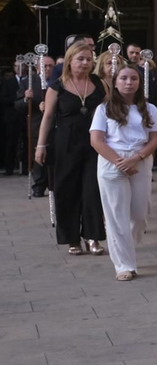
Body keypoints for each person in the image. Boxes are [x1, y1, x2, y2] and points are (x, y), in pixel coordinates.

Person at [89, 65, 157, 280]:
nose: (129, 82)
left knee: (139, 216)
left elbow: (156, 138)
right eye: (123, 78)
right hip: (113, 160)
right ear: (115, 81)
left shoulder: (150, 109)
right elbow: (96, 140)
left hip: (140, 158)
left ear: (140, 83)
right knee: (116, 216)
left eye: (133, 78)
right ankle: (124, 265)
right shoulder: (104, 109)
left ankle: (123, 246)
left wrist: (136, 159)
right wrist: (120, 161)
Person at [35, 39, 107, 255]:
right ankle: (72, 238)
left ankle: (92, 236)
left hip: (94, 145)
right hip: (65, 145)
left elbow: (110, 111)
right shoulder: (57, 85)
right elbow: (47, 117)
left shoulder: (99, 84)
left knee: (92, 191)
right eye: (80, 59)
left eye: (88, 59)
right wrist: (40, 145)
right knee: (67, 191)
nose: (85, 63)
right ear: (69, 60)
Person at [20, 55, 51, 196]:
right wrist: (27, 99)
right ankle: (39, 184)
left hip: (56, 126)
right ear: (38, 67)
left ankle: (53, 183)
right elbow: (17, 105)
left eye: (51, 66)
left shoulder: (61, 81)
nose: (48, 69)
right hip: (36, 124)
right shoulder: (29, 82)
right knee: (38, 156)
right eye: (45, 66)